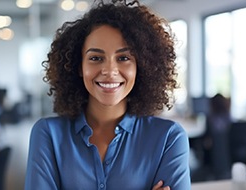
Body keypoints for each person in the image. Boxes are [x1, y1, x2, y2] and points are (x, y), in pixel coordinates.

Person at [25, 0, 191, 189]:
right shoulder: (48, 135)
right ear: (79, 66)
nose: (110, 70)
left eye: (123, 58)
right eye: (96, 58)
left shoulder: (168, 138)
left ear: (140, 67)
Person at [203, 93, 231, 180]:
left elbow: (206, 140)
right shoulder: (228, 117)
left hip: (215, 155)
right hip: (227, 155)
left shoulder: (210, 118)